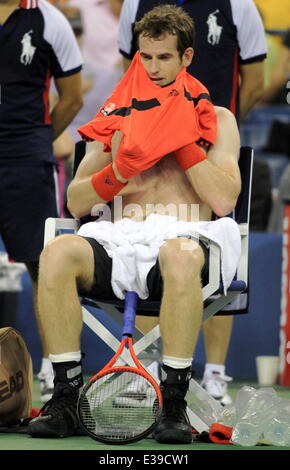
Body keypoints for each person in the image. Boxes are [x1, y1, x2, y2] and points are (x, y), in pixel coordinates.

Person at [28, 5, 241, 444]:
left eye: (164, 57)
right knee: (57, 252)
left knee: (178, 254)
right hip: (120, 239)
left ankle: (174, 403)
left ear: (186, 57)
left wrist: (184, 145)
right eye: (146, 57)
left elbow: (223, 199)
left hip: (187, 239)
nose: (153, 67)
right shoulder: (118, 116)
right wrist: (118, 174)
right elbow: (76, 200)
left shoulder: (217, 120)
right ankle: (67, 397)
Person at [118, 0, 267, 404]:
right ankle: (146, 366)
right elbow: (131, 66)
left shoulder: (240, 5)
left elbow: (254, 78)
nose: (154, 64)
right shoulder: (136, 3)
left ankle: (215, 373)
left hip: (212, 141)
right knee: (148, 234)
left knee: (216, 246)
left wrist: (214, 129)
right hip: (151, 129)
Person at [0, 0, 83, 403]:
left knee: (42, 265)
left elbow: (72, 96)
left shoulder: (49, 19)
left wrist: (36, 139)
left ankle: (57, 373)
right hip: (25, 151)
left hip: (26, 157)